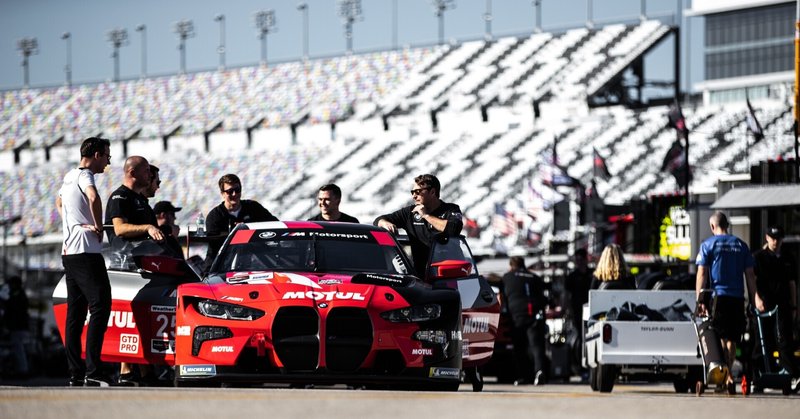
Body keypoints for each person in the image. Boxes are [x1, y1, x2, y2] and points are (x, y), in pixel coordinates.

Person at [55, 136, 113, 386]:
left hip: (69, 251)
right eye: (107, 156)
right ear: (97, 154)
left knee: (76, 313)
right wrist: (97, 226)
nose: (108, 162)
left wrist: (73, 223)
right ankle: (94, 371)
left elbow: (58, 202)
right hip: (86, 251)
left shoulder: (68, 176)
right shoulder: (84, 175)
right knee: (100, 304)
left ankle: (76, 372)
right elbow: (93, 196)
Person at [695, 211, 764, 395]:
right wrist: (755, 297)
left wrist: (700, 299)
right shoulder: (741, 246)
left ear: (712, 226)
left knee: (717, 336)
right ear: (728, 225)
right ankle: (728, 376)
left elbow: (702, 274)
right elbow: (750, 275)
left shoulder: (708, 245)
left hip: (718, 297)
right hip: (737, 298)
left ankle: (723, 376)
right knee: (731, 339)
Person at [374, 174, 463, 277]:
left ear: (432, 192)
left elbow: (453, 229)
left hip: (449, 274)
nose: (414, 196)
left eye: (418, 192)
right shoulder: (410, 213)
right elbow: (378, 220)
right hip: (421, 276)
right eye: (412, 192)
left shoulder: (451, 209)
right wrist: (385, 223)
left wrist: (426, 215)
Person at [204, 174, 278, 271]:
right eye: (230, 191)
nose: (234, 194)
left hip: (259, 263)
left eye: (237, 190)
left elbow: (275, 224)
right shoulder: (214, 217)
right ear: (222, 193)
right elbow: (214, 247)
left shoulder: (253, 208)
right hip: (224, 267)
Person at [752, 225, 798, 382]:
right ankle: (760, 377)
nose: (775, 242)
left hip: (783, 305)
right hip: (764, 305)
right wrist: (756, 299)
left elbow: (792, 283)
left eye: (778, 239)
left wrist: (794, 306)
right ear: (767, 238)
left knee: (785, 341)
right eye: (772, 238)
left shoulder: (787, 258)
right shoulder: (758, 257)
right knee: (763, 342)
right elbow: (752, 281)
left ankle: (789, 377)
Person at [501, 256, 548, 386]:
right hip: (535, 315)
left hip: (516, 316)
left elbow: (502, 298)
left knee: (519, 348)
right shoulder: (535, 278)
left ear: (511, 266)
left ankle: (523, 376)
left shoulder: (506, 277)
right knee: (537, 347)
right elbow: (544, 299)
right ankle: (539, 372)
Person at [563, 248, 592, 379]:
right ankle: (581, 367)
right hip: (577, 312)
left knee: (592, 337)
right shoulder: (572, 277)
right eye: (577, 259)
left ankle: (590, 365)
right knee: (580, 338)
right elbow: (567, 296)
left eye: (581, 259)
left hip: (592, 310)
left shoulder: (593, 274)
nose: (579, 262)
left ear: (586, 259)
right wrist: (566, 310)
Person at [0, 276, 30, 377]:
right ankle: (20, 369)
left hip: (18, 327)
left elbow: (13, 310)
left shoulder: (18, 295)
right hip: (18, 327)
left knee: (18, 349)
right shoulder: (17, 294)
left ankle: (22, 370)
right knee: (17, 349)